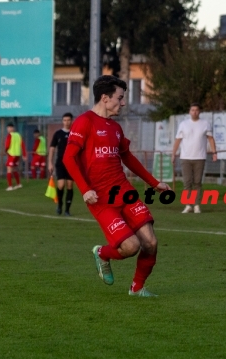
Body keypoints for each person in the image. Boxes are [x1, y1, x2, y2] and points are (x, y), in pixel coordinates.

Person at [63, 75, 171, 297]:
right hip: (101, 199)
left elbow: (127, 158)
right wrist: (85, 190)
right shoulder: (84, 122)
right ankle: (102, 253)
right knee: (131, 247)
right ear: (105, 98)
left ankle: (137, 288)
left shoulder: (115, 128)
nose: (122, 103)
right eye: (120, 98)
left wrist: (154, 183)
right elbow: (68, 158)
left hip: (124, 191)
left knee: (150, 242)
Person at [171, 103, 218, 214]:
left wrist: (214, 152)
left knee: (197, 182)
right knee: (187, 182)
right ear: (189, 112)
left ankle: (196, 205)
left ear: (199, 111)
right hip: (185, 157)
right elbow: (178, 140)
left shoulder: (205, 124)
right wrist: (173, 154)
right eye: (192, 110)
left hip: (199, 157)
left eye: (196, 110)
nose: (194, 112)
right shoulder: (183, 124)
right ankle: (188, 205)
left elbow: (210, 139)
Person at [49, 113, 75, 216]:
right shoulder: (58, 134)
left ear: (71, 120)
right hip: (60, 163)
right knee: (61, 185)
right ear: (62, 121)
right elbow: (52, 149)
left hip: (72, 163)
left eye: (68, 120)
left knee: (69, 186)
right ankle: (59, 205)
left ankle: (67, 210)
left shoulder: (74, 133)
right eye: (64, 120)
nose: (66, 122)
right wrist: (50, 163)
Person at [4, 123, 27, 191]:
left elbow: (7, 145)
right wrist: (24, 154)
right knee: (14, 169)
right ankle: (18, 184)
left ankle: (10, 186)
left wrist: (5, 151)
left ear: (12, 128)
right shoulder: (18, 135)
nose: (8, 129)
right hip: (17, 155)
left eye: (9, 128)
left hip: (12, 154)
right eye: (8, 128)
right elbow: (22, 145)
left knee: (9, 170)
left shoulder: (9, 135)